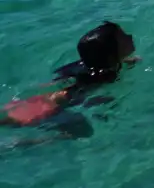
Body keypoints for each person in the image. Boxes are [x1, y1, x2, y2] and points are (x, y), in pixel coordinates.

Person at [5, 21, 137, 129]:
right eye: (124, 37)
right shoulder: (105, 77)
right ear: (111, 55)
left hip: (37, 99)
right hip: (48, 107)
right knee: (82, 131)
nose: (130, 36)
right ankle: (16, 145)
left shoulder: (87, 65)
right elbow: (92, 99)